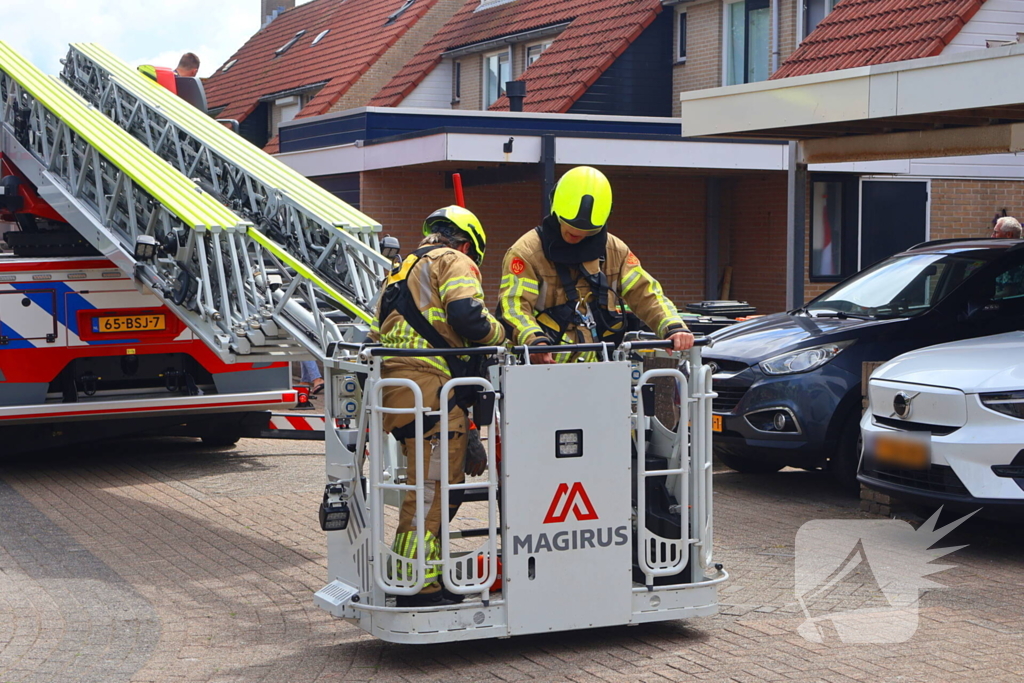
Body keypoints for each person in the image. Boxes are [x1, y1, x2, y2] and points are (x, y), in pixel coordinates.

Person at [370, 205, 505, 607]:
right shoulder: (452, 259)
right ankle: (416, 586)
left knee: (436, 488)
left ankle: (425, 574)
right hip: (430, 393)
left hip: (404, 394)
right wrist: (502, 332)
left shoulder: (399, 271)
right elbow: (469, 318)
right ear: (466, 244)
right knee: (431, 492)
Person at [498, 166, 694, 364]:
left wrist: (673, 326)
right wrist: (535, 341)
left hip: (601, 369)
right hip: (542, 368)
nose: (578, 236)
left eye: (588, 231)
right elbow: (513, 307)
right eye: (571, 228)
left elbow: (646, 294)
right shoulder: (527, 252)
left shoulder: (615, 251)